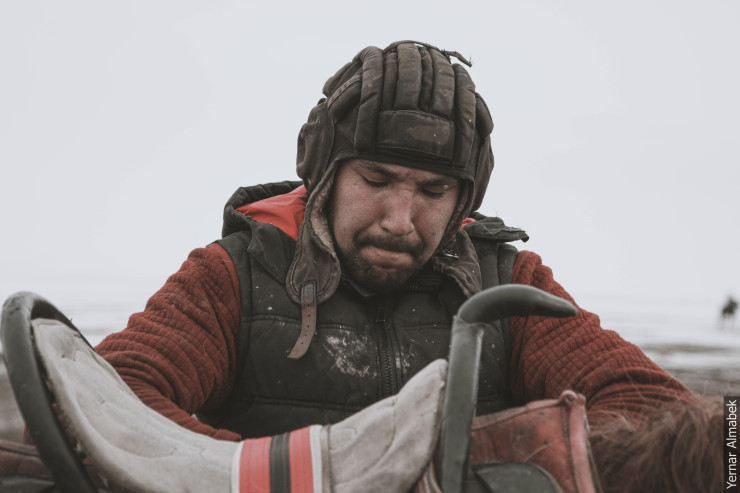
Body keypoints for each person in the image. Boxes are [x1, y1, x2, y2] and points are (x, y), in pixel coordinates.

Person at [95, 40, 692, 444]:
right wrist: (276, 475)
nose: (401, 221)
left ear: (464, 199)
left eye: (434, 190)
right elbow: (107, 394)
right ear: (324, 174)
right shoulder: (234, 276)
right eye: (376, 180)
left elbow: (655, 409)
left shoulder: (507, 287)